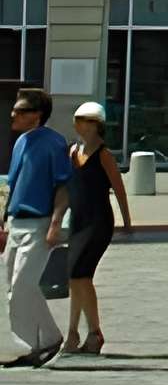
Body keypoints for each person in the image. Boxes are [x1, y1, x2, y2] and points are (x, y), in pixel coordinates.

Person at [59, 104, 128, 358]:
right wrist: (57, 219)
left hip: (98, 222)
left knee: (81, 274)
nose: (76, 125)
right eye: (76, 120)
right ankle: (74, 333)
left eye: (82, 120)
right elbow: (67, 189)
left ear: (95, 124)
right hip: (77, 221)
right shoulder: (72, 152)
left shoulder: (103, 155)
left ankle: (93, 332)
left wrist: (128, 222)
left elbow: (119, 189)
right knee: (74, 276)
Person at [4, 88, 66, 368]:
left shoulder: (54, 143)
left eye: (20, 110)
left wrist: (55, 224)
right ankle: (33, 344)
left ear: (36, 115)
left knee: (24, 283)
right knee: (12, 289)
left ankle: (50, 338)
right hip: (17, 222)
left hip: (39, 223)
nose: (13, 114)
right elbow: (12, 184)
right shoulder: (20, 143)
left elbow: (63, 185)